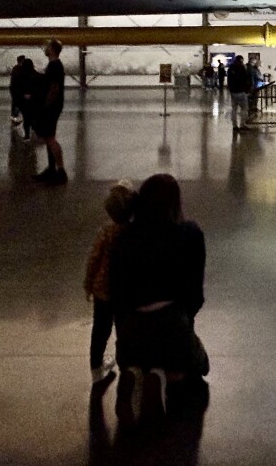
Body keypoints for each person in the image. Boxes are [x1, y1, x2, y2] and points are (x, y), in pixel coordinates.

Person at [109, 174, 208, 424]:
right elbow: (194, 295)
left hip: (131, 327)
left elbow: (116, 296)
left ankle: (135, 371)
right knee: (200, 365)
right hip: (172, 323)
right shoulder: (190, 233)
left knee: (139, 354)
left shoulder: (123, 238)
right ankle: (165, 375)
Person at [84, 181, 137, 385]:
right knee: (124, 329)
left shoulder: (106, 232)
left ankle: (96, 366)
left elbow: (93, 259)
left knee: (100, 329)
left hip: (103, 290)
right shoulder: (134, 233)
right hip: (126, 291)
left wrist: (88, 283)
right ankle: (126, 365)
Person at [33, 39, 67, 185]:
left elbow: (54, 88)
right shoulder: (54, 65)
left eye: (47, 46)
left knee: (51, 138)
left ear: (52, 49)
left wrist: (46, 106)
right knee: (48, 137)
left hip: (51, 106)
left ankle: (60, 171)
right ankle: (52, 169)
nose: (45, 48)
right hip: (53, 105)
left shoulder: (54, 66)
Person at [227, 54, 251, 133]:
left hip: (233, 91)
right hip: (241, 91)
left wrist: (230, 89)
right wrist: (247, 90)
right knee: (244, 108)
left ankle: (234, 126)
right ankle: (242, 124)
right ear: (241, 60)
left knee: (234, 109)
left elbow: (229, 80)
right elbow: (246, 79)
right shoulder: (242, 68)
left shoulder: (230, 68)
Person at [17, 58, 39, 141]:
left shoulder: (20, 75)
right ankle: (35, 130)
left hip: (24, 99)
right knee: (34, 115)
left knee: (26, 117)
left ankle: (27, 135)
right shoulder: (36, 74)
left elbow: (17, 87)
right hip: (34, 99)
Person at [9, 54, 25, 125]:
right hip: (18, 89)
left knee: (15, 103)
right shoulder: (21, 68)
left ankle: (14, 118)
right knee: (19, 104)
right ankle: (15, 119)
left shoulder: (15, 68)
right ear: (22, 60)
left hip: (13, 88)